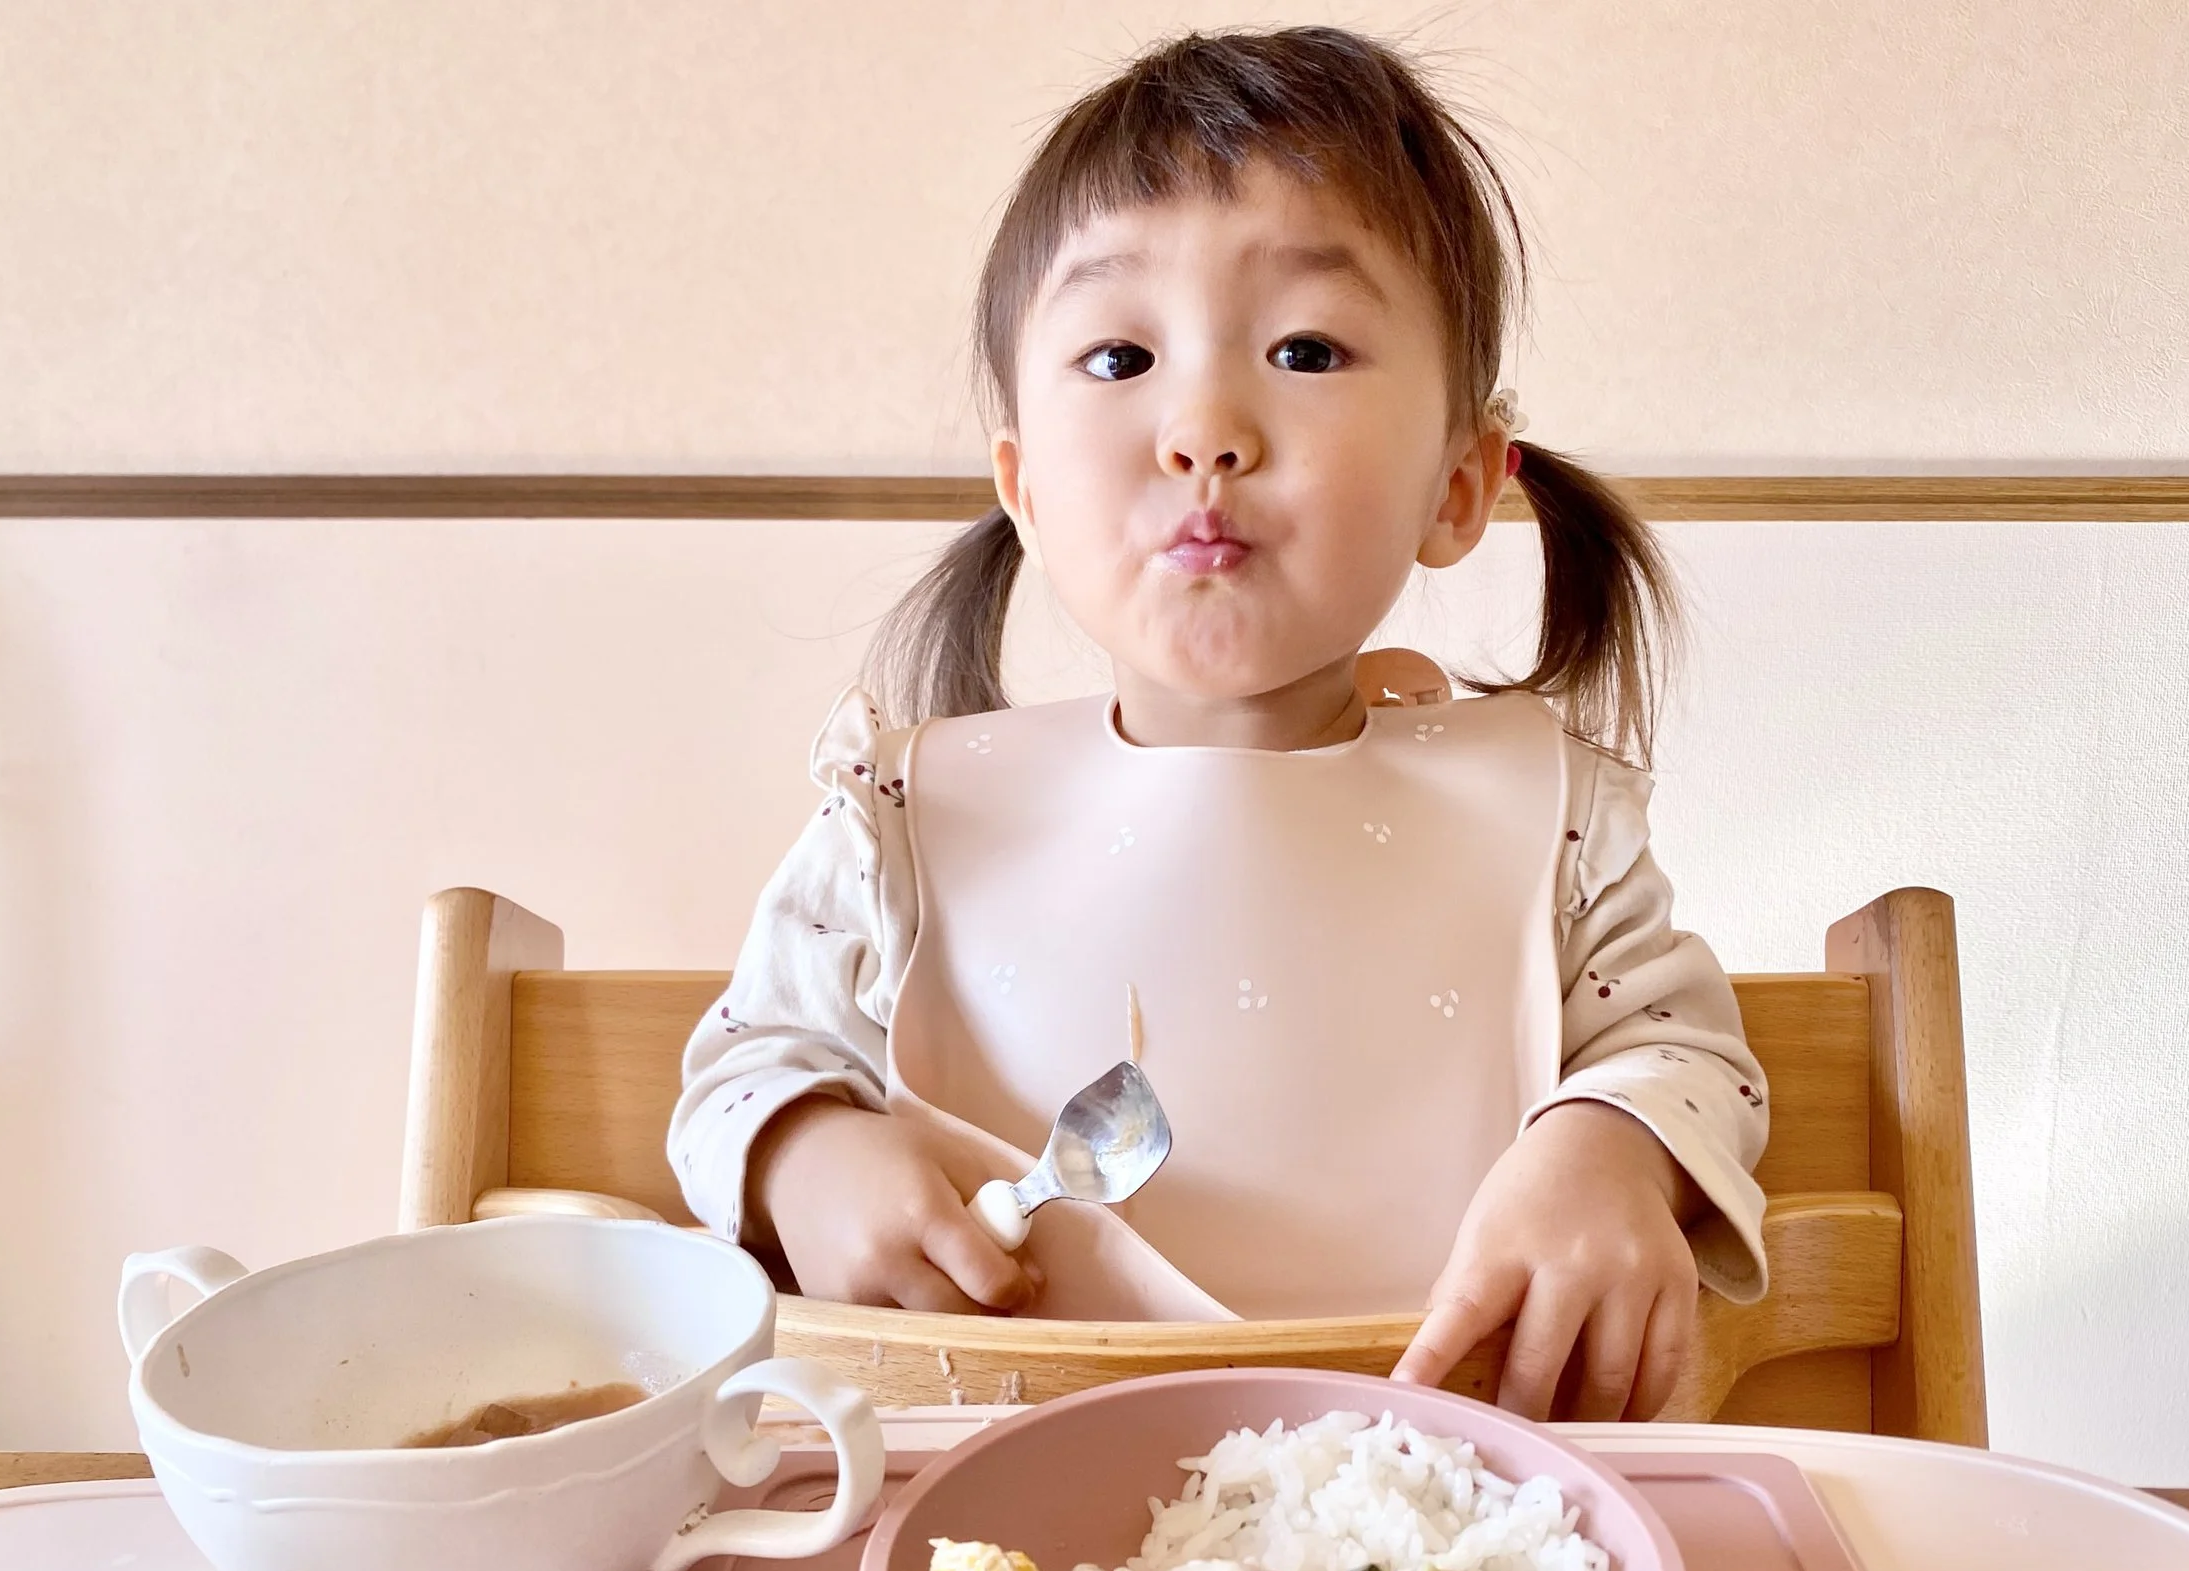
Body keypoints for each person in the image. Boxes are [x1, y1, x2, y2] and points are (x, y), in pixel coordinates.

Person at [671, 26, 1769, 1422]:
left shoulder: (1552, 824)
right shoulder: (895, 824)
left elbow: (1684, 1052)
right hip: (981, 1515)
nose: (1203, 427)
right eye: (1120, 354)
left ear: (1459, 485)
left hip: (1442, 1507)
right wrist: (807, 1156)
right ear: (1023, 486)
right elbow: (746, 1067)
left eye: (1305, 348)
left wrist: (1609, 1151)